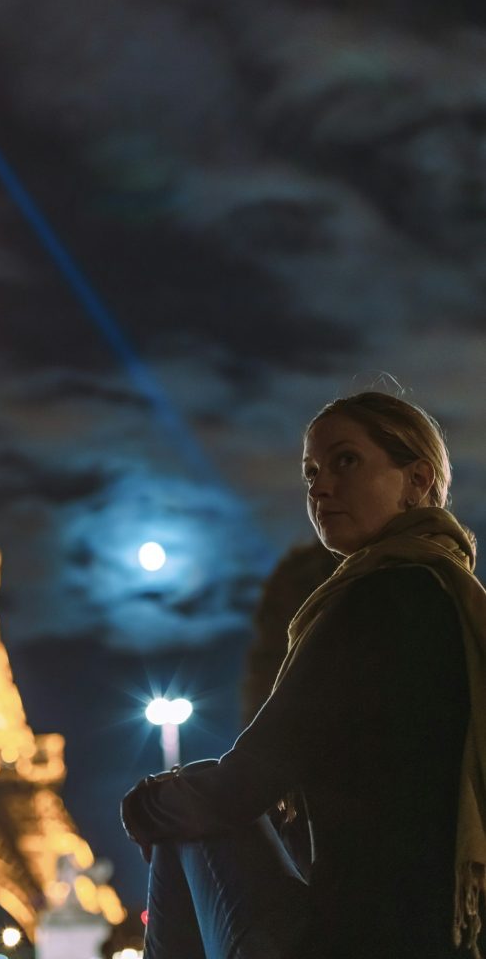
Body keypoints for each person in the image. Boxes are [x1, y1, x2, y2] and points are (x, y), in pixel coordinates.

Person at [121, 391, 486, 959]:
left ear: (417, 480)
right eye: (311, 472)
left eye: (345, 461)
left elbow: (247, 783)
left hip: (356, 941)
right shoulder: (446, 597)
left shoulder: (378, 597)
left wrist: (142, 807)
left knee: (180, 810)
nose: (319, 487)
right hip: (441, 937)